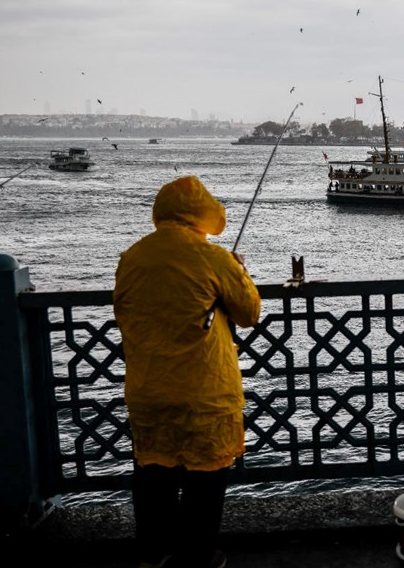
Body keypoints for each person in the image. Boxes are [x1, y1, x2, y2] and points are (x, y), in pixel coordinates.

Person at [114, 175, 261, 567]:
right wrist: (238, 270)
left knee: (154, 474)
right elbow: (248, 314)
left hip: (148, 387)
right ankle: (197, 557)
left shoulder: (132, 257)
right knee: (205, 478)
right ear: (203, 214)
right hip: (202, 390)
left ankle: (153, 553)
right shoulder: (213, 258)